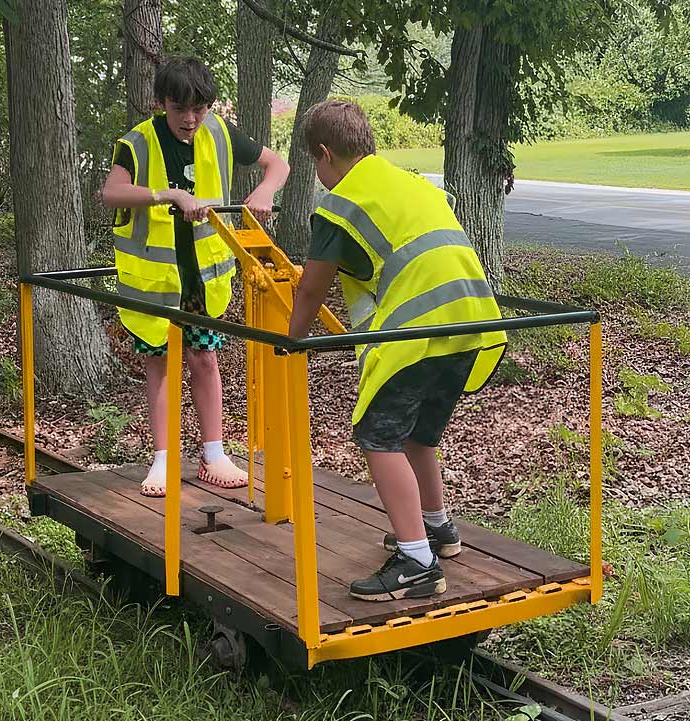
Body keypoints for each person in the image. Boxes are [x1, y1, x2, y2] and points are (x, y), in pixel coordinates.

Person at [287, 100, 507, 601]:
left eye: (316, 165)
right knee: (419, 434)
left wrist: (289, 339)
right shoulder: (408, 182)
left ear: (324, 155)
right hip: (473, 320)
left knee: (377, 434)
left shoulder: (340, 205)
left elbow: (309, 292)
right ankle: (437, 529)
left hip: (420, 330)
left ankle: (416, 562)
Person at [101, 56, 289, 497]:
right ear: (160, 103)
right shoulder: (137, 142)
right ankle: (163, 460)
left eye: (198, 109)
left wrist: (263, 190)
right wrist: (170, 195)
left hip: (202, 280)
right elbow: (111, 192)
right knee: (160, 365)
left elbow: (276, 165)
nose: (189, 119)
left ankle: (214, 453)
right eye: (179, 108)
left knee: (205, 360)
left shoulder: (220, 132)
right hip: (155, 282)